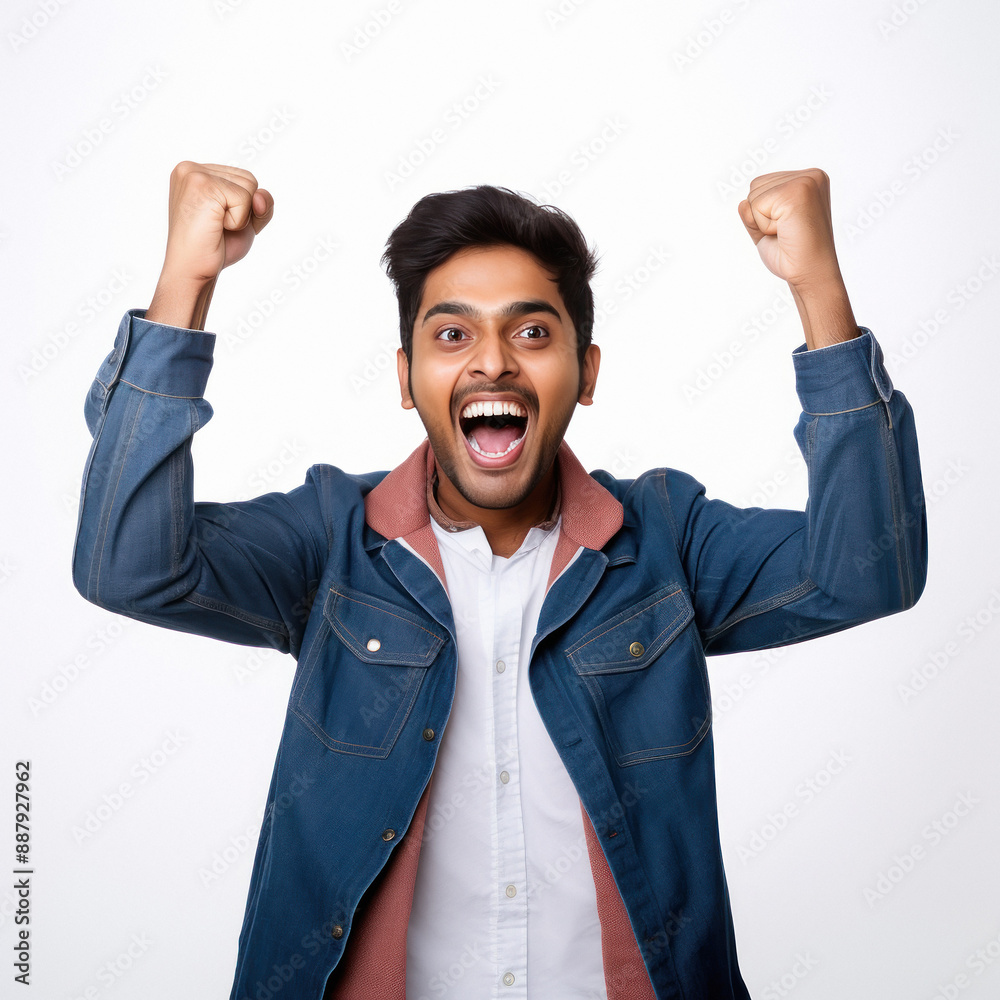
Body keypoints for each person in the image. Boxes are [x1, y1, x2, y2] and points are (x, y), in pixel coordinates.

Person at [72, 161, 927, 1000]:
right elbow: (129, 566)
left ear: (585, 374)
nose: (492, 365)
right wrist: (185, 283)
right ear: (406, 380)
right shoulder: (329, 542)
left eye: (531, 332)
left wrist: (817, 287)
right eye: (452, 335)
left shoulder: (668, 540)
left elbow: (865, 571)